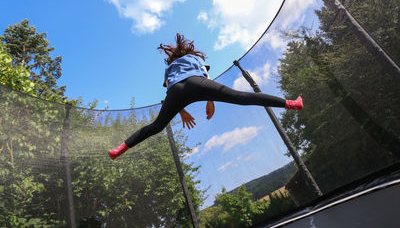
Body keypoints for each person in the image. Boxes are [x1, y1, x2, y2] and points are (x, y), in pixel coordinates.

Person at [108, 33, 303, 160]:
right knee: (242, 97)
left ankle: (120, 148)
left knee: (157, 126)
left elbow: (169, 87)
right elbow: (205, 76)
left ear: (171, 58)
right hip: (196, 82)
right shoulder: (194, 58)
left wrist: (181, 111)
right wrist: (210, 99)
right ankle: (291, 104)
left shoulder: (169, 68)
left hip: (175, 91)